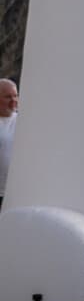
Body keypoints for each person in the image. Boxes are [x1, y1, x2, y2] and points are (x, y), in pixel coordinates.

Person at [0, 78, 18, 208]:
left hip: (15, 192)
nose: (13, 101)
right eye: (8, 97)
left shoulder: (24, 120)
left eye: (15, 96)